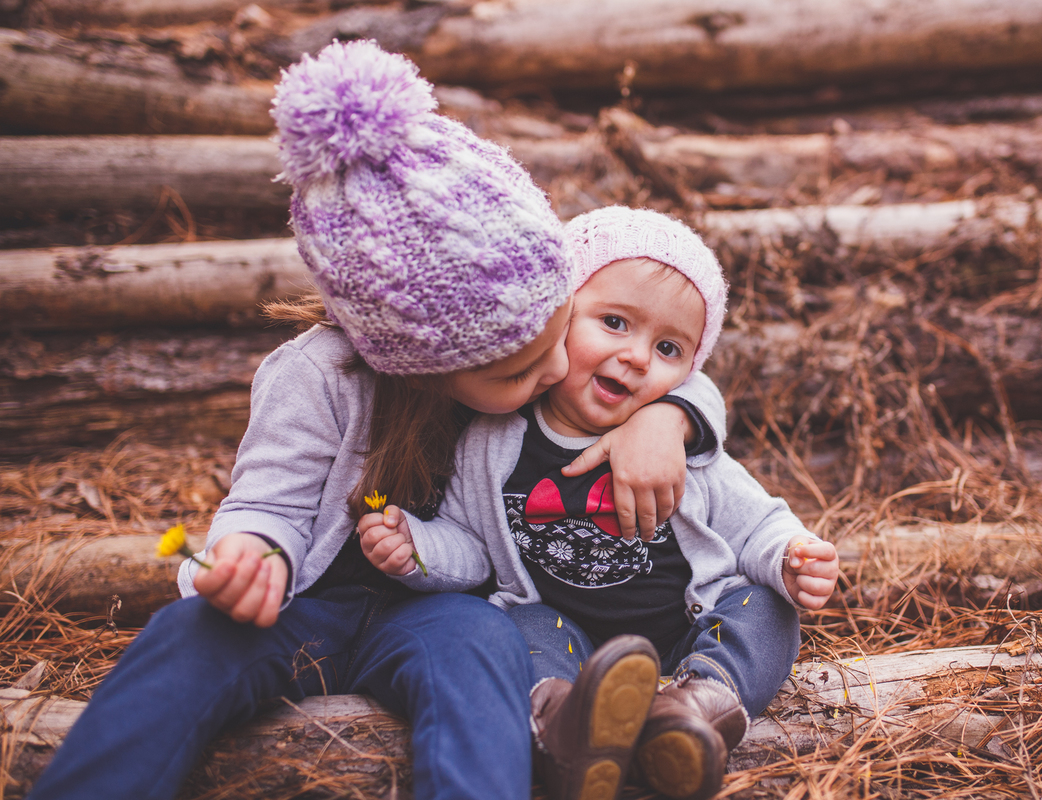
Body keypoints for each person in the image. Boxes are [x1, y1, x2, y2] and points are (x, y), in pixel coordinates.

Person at [25, 45, 726, 800]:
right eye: (520, 371)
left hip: (446, 609)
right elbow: (268, 502)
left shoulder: (532, 356)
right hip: (306, 610)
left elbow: (656, 371)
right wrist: (251, 557)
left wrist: (670, 417)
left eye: (560, 336)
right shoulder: (316, 378)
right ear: (417, 361)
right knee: (185, 639)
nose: (556, 371)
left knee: (483, 645)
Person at [359, 207, 841, 800]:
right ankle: (565, 720)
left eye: (668, 348)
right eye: (614, 322)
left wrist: (791, 554)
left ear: (690, 370)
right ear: (558, 317)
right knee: (521, 626)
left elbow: (755, 520)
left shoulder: (681, 448)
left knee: (766, 609)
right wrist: (418, 548)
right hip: (567, 632)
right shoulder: (493, 441)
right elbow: (471, 544)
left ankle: (696, 704)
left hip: (688, 627)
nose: (637, 356)